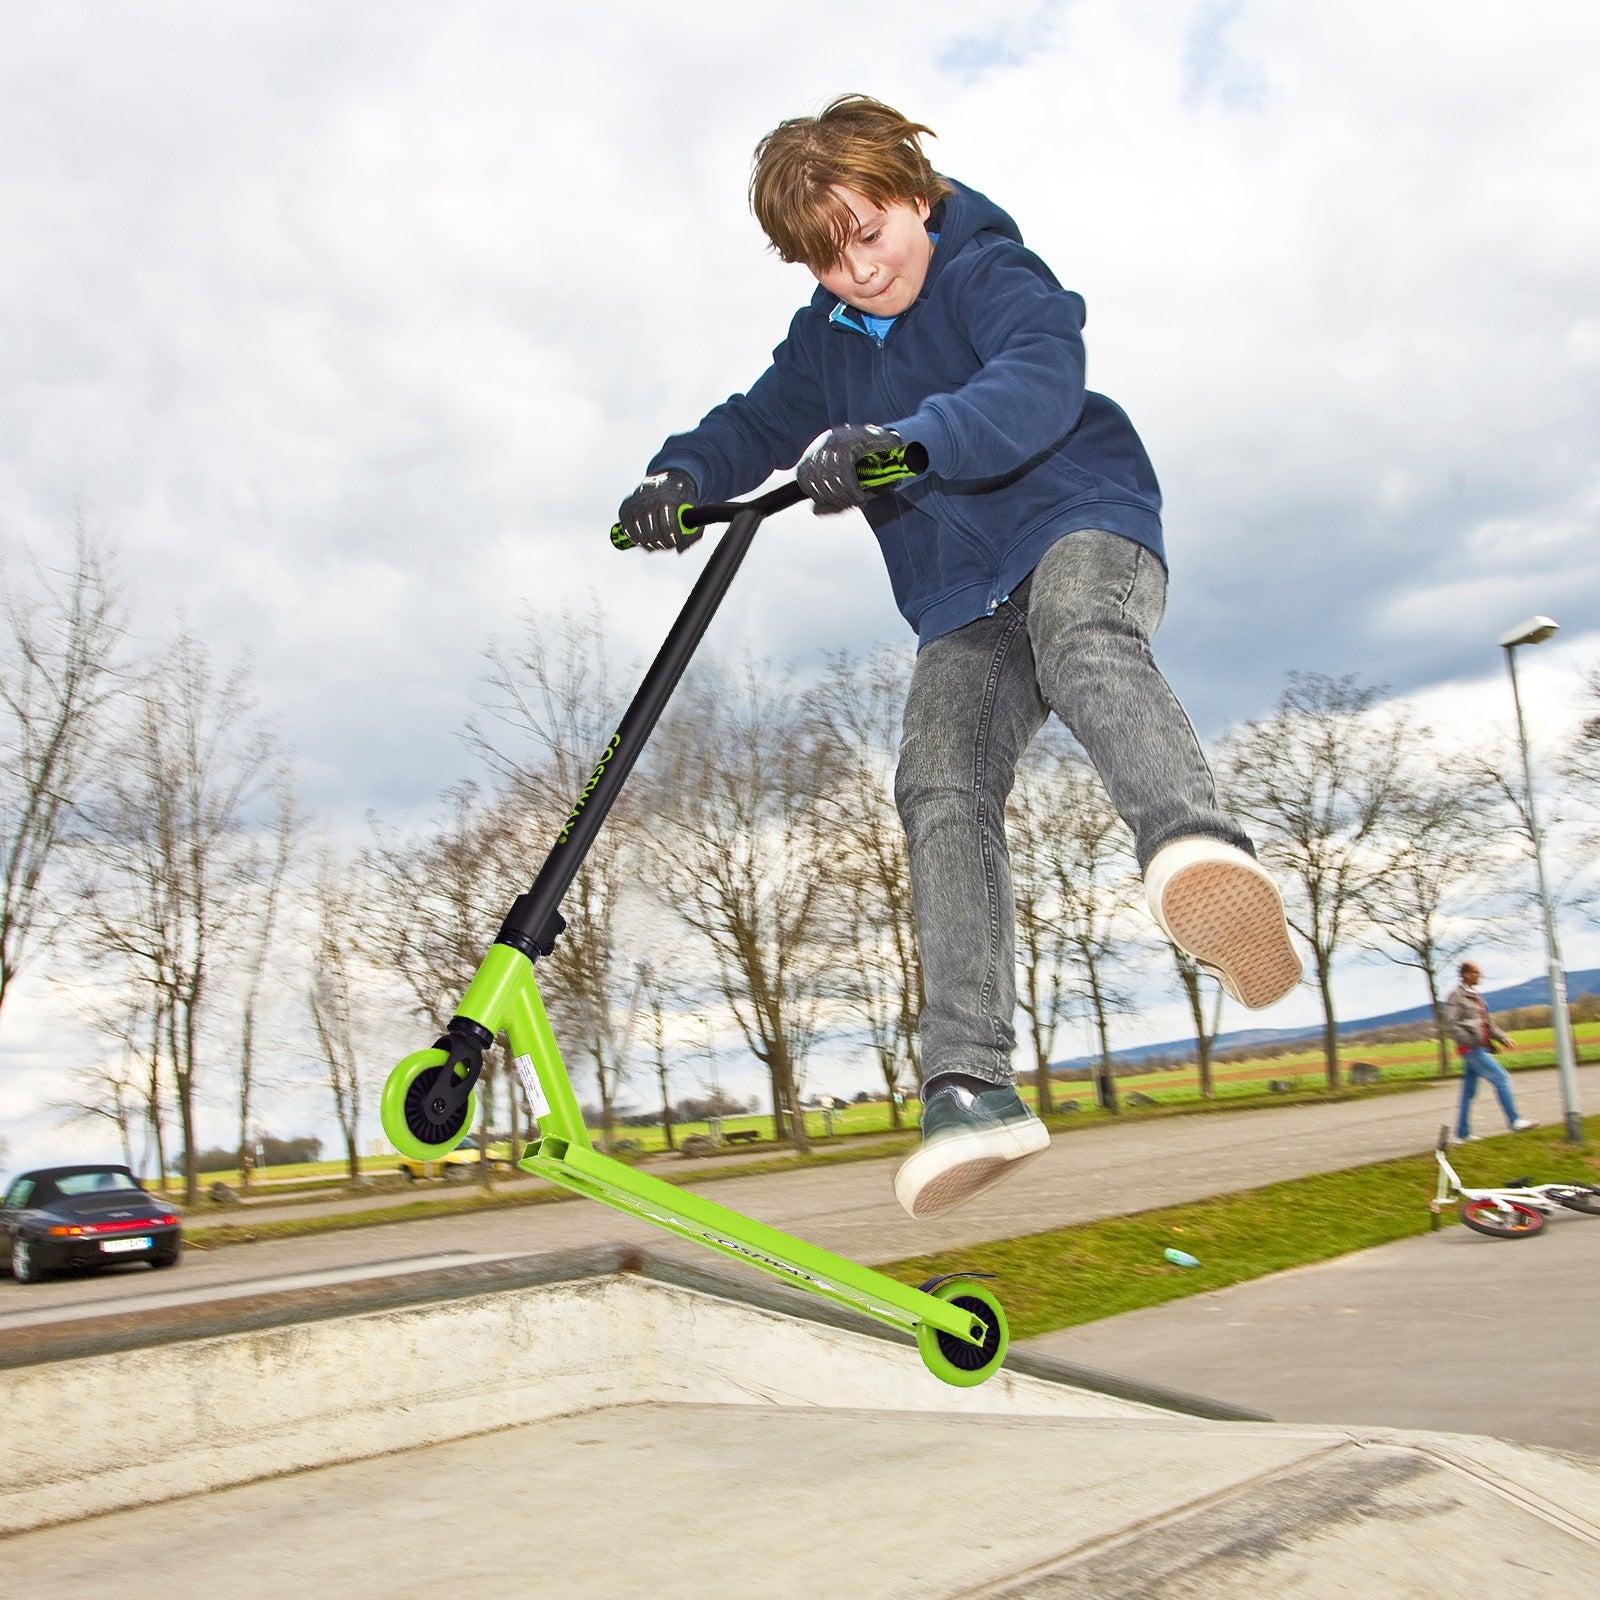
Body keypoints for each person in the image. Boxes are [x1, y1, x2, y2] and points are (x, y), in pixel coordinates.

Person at [615, 95, 1302, 1220]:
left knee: (1082, 638)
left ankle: (1196, 849)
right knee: (938, 778)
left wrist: (905, 442)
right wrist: (680, 478)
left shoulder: (990, 270)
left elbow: (1038, 381)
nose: (859, 273)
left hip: (1081, 518)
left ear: (913, 196)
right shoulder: (825, 345)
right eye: (827, 260)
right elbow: (749, 420)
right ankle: (970, 1082)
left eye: (871, 235)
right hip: (964, 601)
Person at [1445, 960, 1534, 1141]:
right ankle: (1515, 1121)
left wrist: (1502, 1038)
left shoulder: (1476, 996)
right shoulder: (1457, 996)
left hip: (1479, 1048)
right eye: (1476, 972)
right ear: (1465, 974)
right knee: (1501, 1078)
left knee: (1469, 1092)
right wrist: (1470, 1041)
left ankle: (1462, 1134)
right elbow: (1451, 1024)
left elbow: (1487, 1024)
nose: (1480, 975)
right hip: (1471, 1049)